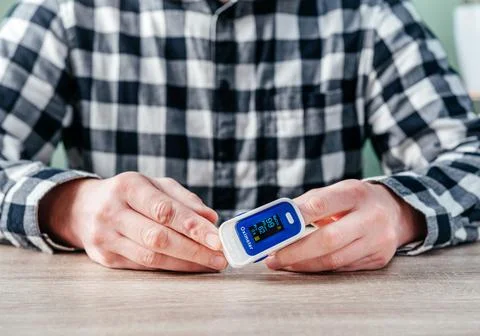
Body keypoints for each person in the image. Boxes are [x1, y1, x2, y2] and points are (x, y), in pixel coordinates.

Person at [0, 0, 478, 273]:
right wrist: (70, 208)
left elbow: (470, 157)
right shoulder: (63, 12)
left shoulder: (370, 14)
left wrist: (401, 213)